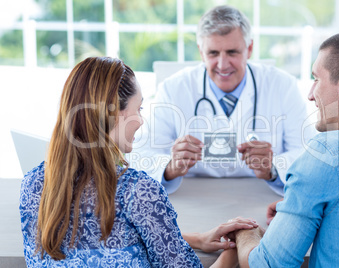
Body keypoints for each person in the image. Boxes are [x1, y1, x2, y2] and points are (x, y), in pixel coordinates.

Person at [19, 57, 259, 267]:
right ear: (115, 113)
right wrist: (236, 246)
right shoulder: (138, 192)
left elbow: (109, 239)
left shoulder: (32, 186)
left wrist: (196, 239)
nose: (142, 121)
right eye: (139, 108)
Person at [233, 29, 339, 267]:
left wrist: (245, 233)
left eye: (316, 79)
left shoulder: (326, 153)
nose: (311, 95)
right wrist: (297, 204)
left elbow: (266, 265)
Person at [132, 5, 314, 195]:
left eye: (232, 52)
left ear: (249, 48)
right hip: (194, 197)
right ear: (201, 52)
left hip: (260, 195)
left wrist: (274, 168)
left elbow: (307, 153)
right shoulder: (173, 88)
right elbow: (140, 153)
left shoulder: (283, 86)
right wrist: (170, 167)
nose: (222, 64)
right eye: (213, 53)